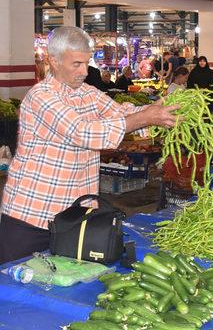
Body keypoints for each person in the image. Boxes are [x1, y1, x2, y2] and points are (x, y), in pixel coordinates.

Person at [0, 26, 179, 264]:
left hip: (73, 215)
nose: (85, 71)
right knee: (17, 290)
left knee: (64, 289)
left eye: (86, 62)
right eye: (76, 64)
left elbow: (121, 112)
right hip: (32, 217)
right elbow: (83, 132)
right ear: (53, 61)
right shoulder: (40, 96)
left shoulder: (88, 93)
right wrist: (145, 118)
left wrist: (156, 113)